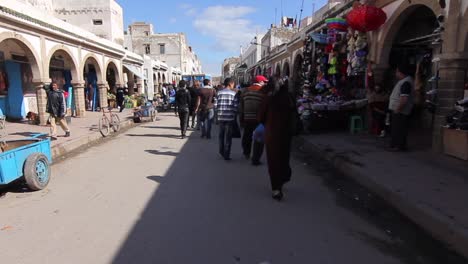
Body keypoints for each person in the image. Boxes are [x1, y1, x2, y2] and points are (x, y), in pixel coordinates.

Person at [258, 77, 295, 201]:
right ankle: (283, 178)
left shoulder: (269, 98)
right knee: (284, 157)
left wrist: (267, 123)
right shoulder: (289, 97)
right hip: (286, 133)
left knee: (273, 160)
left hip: (272, 134)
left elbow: (261, 116)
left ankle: (276, 188)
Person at [240, 75, 268, 166]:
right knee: (259, 138)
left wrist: (241, 119)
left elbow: (241, 106)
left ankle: (246, 152)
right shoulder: (263, 91)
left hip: (247, 118)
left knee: (247, 136)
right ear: (260, 82)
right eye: (264, 82)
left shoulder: (245, 91)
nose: (264, 83)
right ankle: (256, 158)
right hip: (258, 119)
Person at [388, 64, 415, 152]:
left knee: (399, 129)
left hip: (401, 111)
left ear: (401, 72)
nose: (396, 73)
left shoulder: (406, 82)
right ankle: (398, 145)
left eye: (397, 71)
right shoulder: (404, 81)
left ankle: (398, 146)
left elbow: (404, 98)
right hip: (399, 110)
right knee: (397, 128)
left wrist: (398, 109)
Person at [215, 78, 238, 160]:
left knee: (221, 135)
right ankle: (227, 155)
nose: (233, 85)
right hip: (230, 118)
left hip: (221, 117)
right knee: (228, 137)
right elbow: (235, 107)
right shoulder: (233, 94)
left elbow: (215, 105)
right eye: (233, 84)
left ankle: (221, 151)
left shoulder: (219, 93)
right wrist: (234, 113)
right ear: (230, 84)